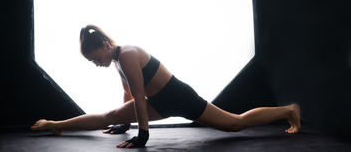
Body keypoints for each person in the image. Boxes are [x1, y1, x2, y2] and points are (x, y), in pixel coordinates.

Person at [31, 25, 301, 148]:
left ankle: (289, 110)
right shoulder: (116, 60)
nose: (96, 64)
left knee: (235, 124)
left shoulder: (127, 55)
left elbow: (138, 95)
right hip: (160, 101)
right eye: (92, 62)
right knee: (109, 116)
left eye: (96, 59)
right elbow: (128, 92)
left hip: (179, 97)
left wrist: (142, 136)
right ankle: (57, 124)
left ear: (105, 45)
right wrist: (124, 123)